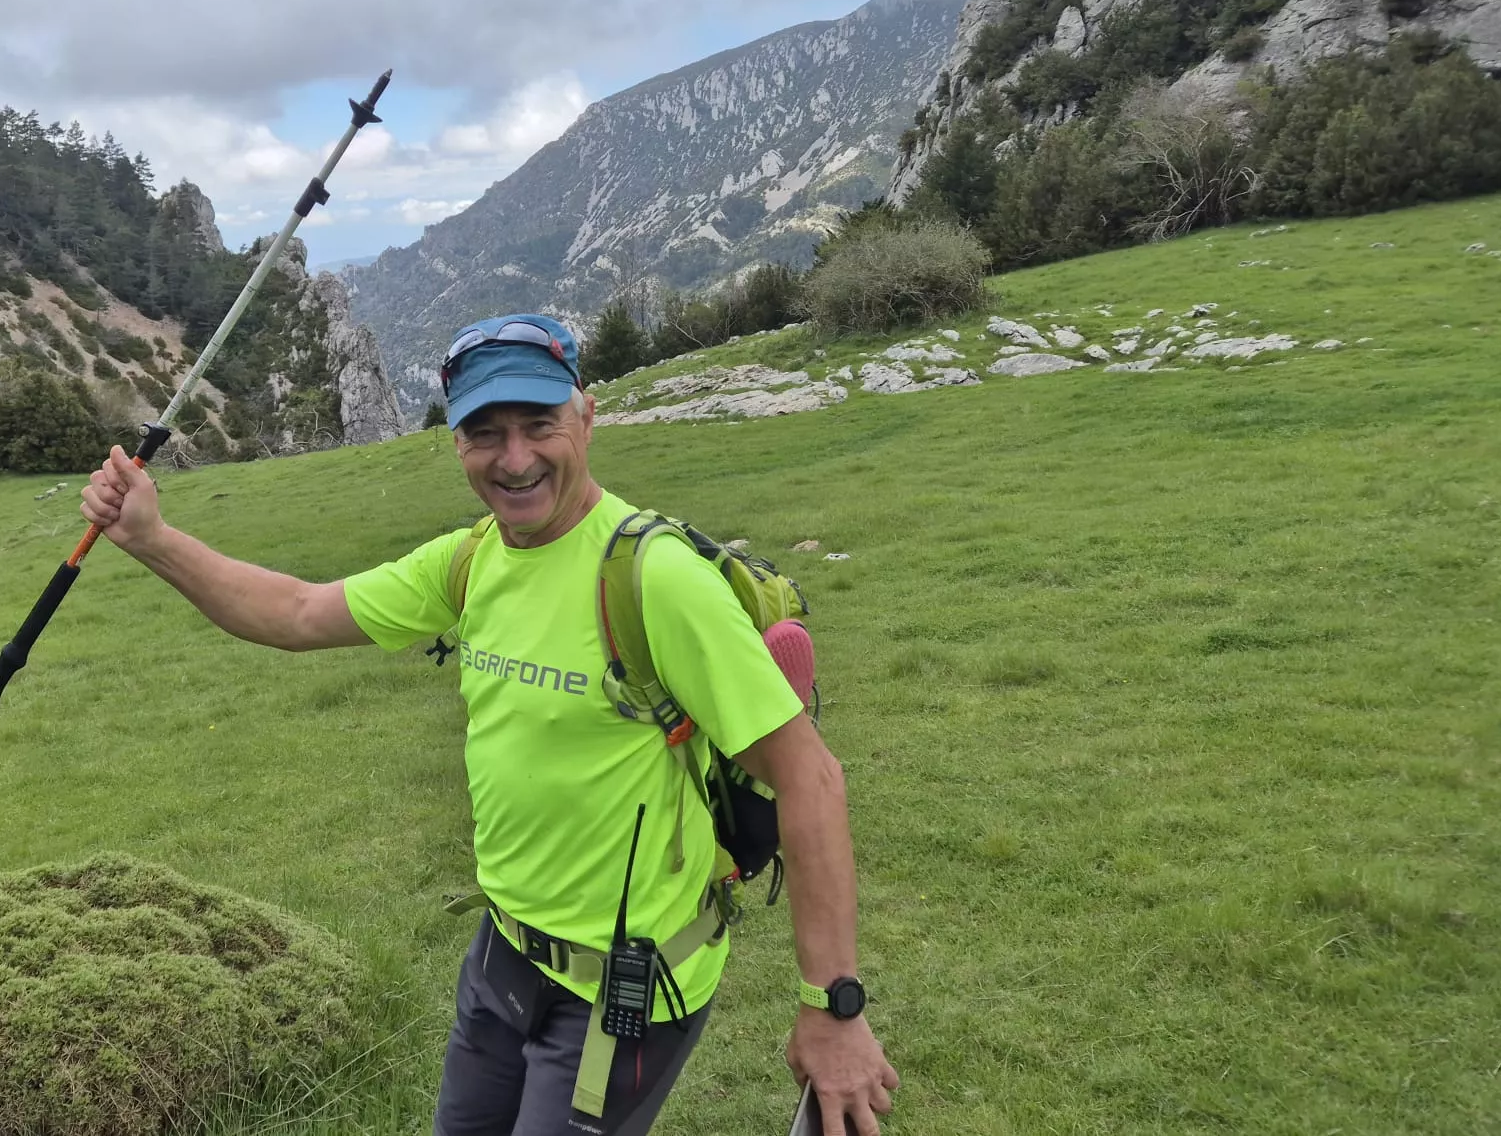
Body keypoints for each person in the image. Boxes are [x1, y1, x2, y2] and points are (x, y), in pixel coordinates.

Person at [81, 314, 900, 1136]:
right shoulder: (471, 561)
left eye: (538, 424)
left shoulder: (656, 579)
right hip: (503, 954)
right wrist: (152, 539)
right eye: (485, 433)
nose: (514, 460)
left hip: (624, 990)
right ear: (456, 443)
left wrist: (831, 1008)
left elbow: (811, 776)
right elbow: (297, 612)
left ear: (585, 416)